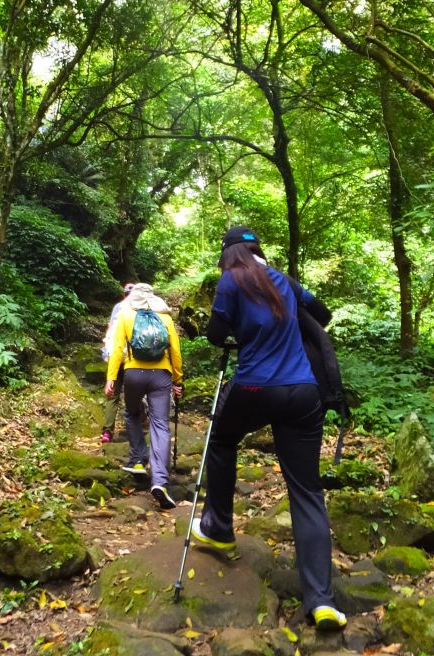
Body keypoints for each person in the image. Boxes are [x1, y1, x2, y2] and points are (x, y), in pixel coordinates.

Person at [192, 226, 347, 633]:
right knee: (307, 491)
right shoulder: (285, 281)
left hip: (256, 387)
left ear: (230, 255)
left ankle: (219, 528)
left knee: (222, 439)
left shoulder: (231, 281)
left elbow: (213, 335)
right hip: (302, 392)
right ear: (258, 250)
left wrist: (240, 337)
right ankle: (322, 602)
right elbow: (323, 313)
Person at [105, 282, 183, 510]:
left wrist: (111, 378)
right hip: (162, 375)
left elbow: (117, 349)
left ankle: (138, 459)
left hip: (133, 374)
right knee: (160, 424)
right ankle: (160, 481)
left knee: (131, 413)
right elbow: (175, 352)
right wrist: (178, 379)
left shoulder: (126, 315)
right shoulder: (165, 317)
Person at [100, 283, 135, 444]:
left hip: (116, 355)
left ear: (123, 294)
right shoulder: (140, 309)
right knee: (134, 393)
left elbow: (110, 329)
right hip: (132, 358)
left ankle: (107, 431)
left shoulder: (118, 307)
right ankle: (135, 427)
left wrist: (106, 348)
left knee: (112, 394)